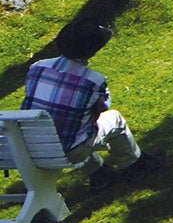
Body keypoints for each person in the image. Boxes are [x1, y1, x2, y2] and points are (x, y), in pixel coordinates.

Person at [20, 20, 144, 173]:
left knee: (74, 125)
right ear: (93, 50)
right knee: (113, 119)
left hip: (32, 147)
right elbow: (102, 109)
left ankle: (99, 174)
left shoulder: (37, 67)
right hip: (69, 151)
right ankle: (134, 164)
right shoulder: (93, 80)